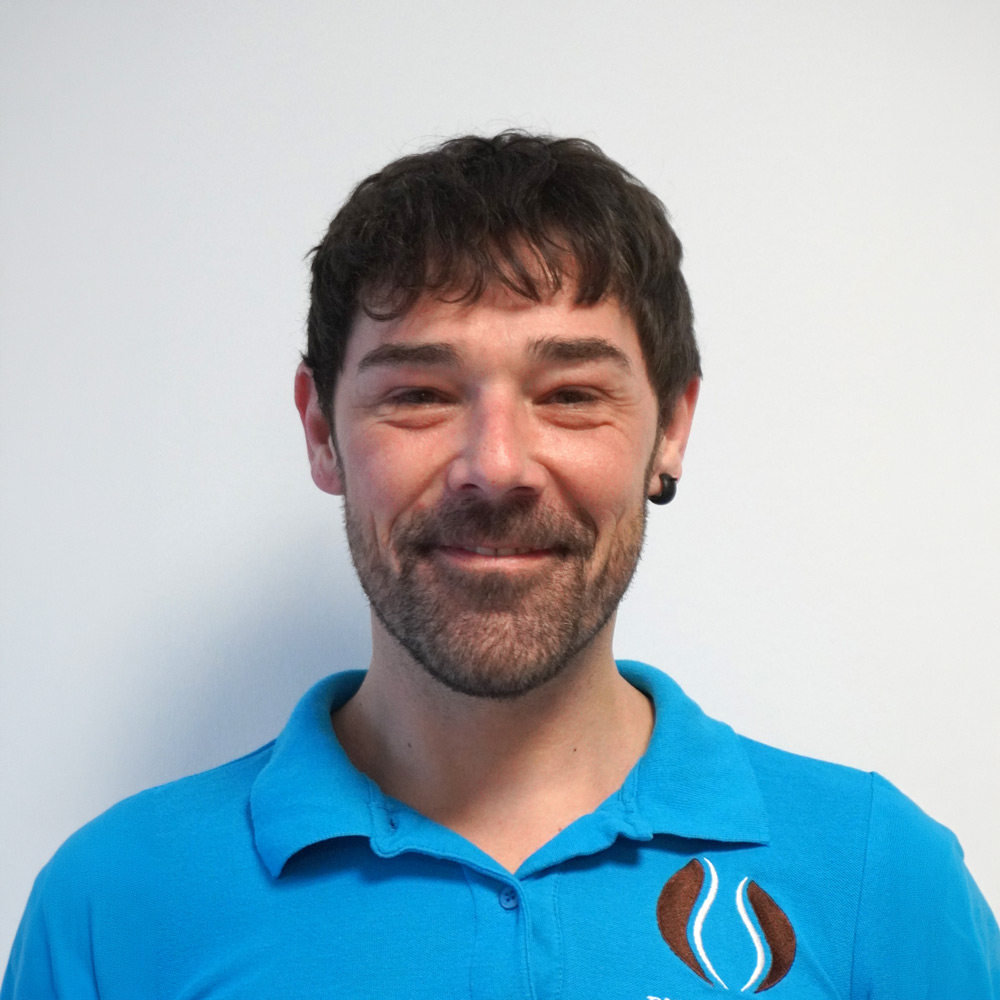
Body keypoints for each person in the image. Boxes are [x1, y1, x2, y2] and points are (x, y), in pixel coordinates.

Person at [3, 131, 997, 999]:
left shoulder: (878, 879)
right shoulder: (114, 905)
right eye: (419, 394)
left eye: (570, 395)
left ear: (671, 429)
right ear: (320, 432)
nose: (497, 465)